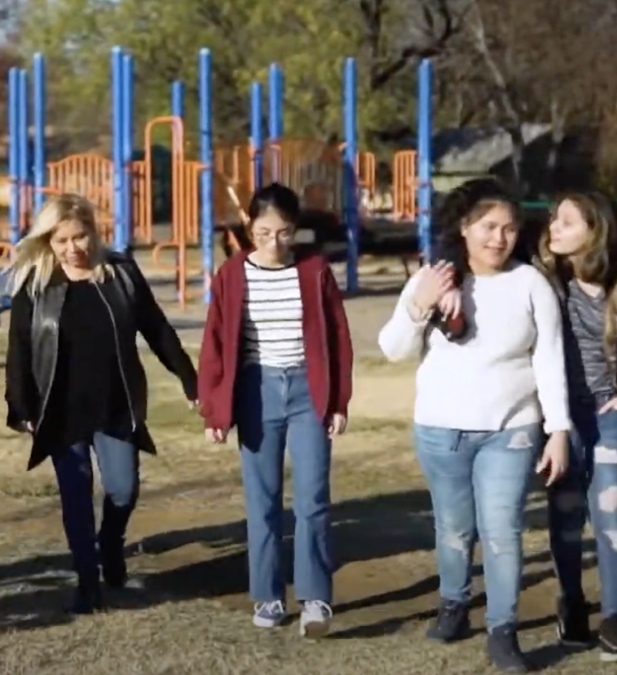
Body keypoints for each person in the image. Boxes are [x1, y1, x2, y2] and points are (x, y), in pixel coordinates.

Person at [377, 178, 570, 673]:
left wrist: (560, 430)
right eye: (488, 226)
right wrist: (420, 304)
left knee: (503, 530)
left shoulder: (531, 283)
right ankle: (454, 604)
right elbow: (393, 349)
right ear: (464, 228)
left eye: (509, 228)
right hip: (441, 430)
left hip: (512, 430)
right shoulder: (435, 277)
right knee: (455, 529)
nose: (499, 238)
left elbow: (549, 360)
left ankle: (502, 629)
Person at [4, 193, 198, 614]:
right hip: (60, 408)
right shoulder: (35, 286)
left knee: (123, 490)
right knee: (76, 498)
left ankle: (110, 545)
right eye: (62, 241)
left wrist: (187, 376)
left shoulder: (121, 273)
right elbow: (19, 349)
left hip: (114, 403)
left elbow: (156, 328)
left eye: (81, 236)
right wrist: (20, 406)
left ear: (95, 230)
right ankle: (87, 580)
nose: (74, 248)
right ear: (48, 243)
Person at [197, 183, 353, 639]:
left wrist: (339, 401)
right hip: (255, 391)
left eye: (284, 232)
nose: (274, 242)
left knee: (313, 499)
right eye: (264, 232)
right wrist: (214, 411)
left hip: (309, 391)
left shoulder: (315, 270)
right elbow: (216, 343)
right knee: (262, 501)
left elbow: (338, 338)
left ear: (295, 229)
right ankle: (267, 594)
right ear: (249, 227)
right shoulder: (231, 274)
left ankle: (315, 597)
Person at [529, 192, 617, 661]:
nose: (553, 228)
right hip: (562, 417)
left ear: (595, 230)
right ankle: (572, 601)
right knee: (566, 514)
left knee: (611, 512)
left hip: (610, 415)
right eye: (552, 220)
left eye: (566, 221)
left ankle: (614, 617)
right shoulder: (548, 282)